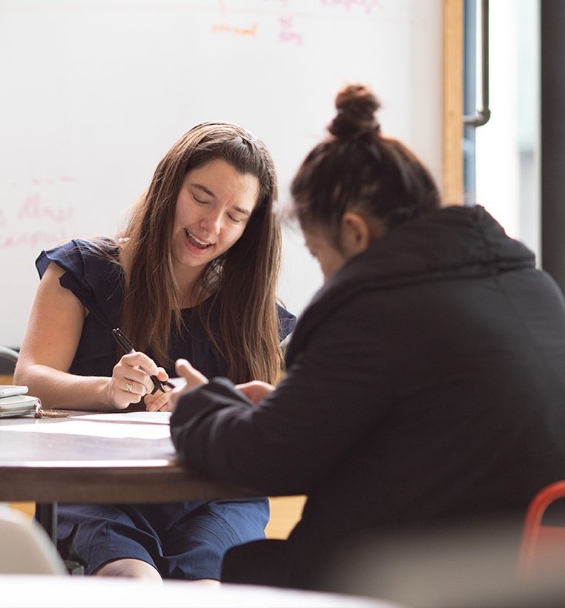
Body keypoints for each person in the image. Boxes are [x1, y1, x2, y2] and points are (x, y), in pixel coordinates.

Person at [167, 84, 565, 592]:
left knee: (244, 571)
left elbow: (266, 459)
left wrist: (199, 404)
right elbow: (437, 431)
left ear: (354, 232)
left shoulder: (376, 306)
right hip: (531, 570)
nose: (326, 278)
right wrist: (293, 409)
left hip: (417, 573)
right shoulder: (532, 287)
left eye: (318, 254)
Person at [13, 121, 296, 581]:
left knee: (204, 585)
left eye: (236, 216)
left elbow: (262, 424)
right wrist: (107, 391)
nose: (212, 225)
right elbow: (31, 379)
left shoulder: (255, 310)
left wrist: (213, 405)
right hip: (96, 489)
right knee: (133, 580)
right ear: (169, 187)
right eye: (201, 198)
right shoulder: (84, 270)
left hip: (213, 493)